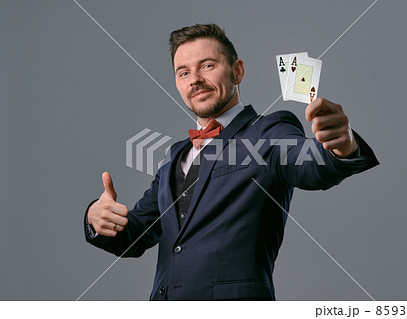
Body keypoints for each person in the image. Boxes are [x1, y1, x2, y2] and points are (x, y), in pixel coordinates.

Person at [84, 23, 379, 300]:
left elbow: (311, 164)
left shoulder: (270, 131)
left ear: (237, 71)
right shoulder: (174, 155)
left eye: (207, 66)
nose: (195, 80)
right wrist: (97, 219)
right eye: (183, 72)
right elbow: (134, 235)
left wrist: (341, 146)